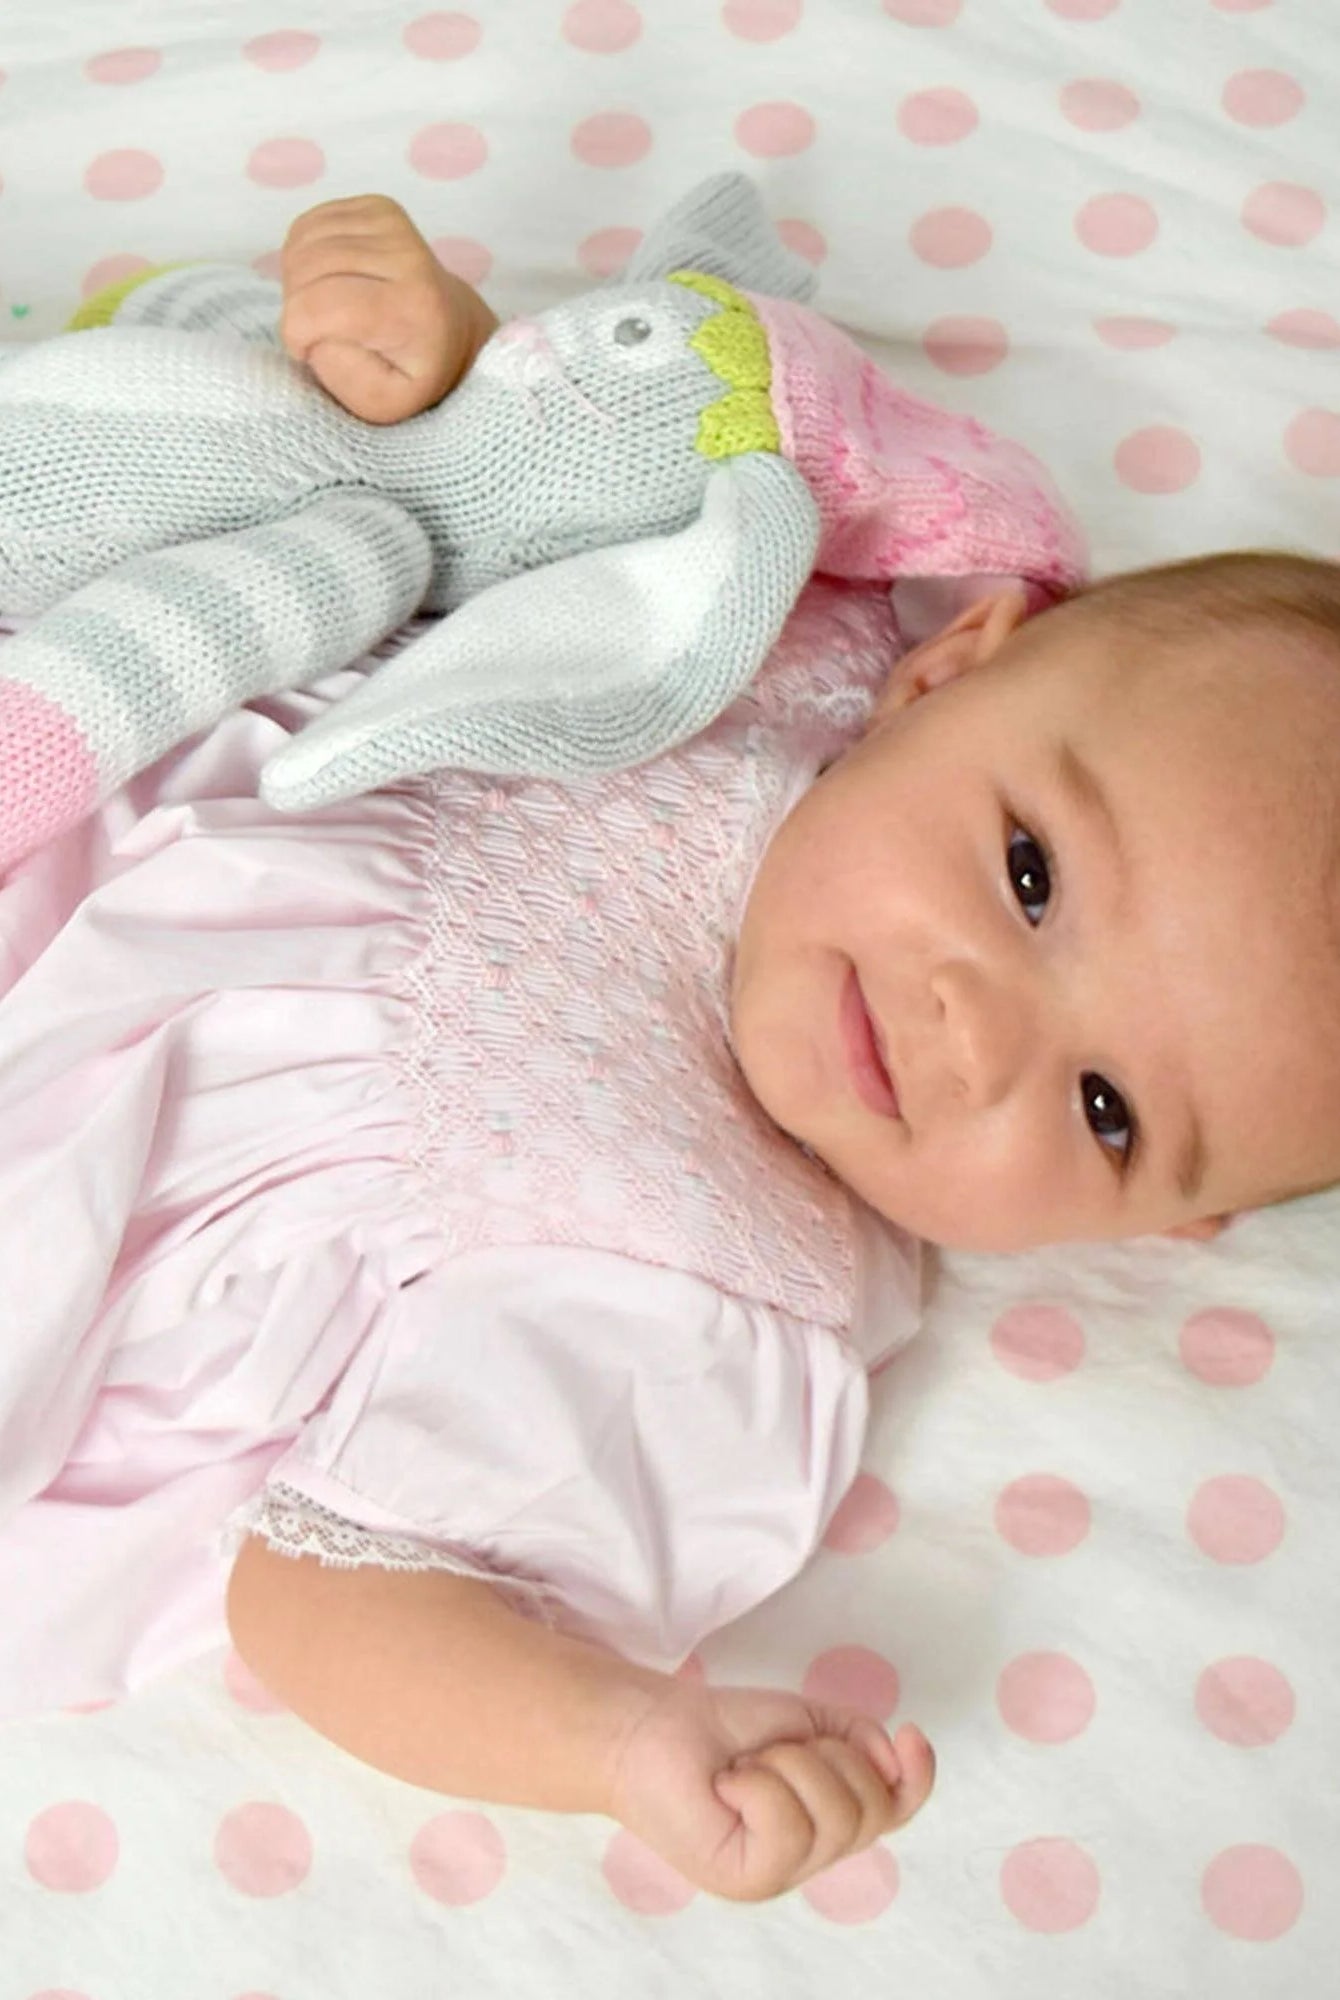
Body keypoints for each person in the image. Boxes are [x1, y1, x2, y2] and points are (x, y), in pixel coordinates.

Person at [5, 194, 1340, 1905]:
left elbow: (340, 1589)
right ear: (952, 673)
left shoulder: (700, 1295)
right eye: (1027, 876)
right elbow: (514, 475)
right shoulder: (783, 616)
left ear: (1158, 1223)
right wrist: (429, 351)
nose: (972, 1033)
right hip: (101, 679)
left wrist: (616, 1741)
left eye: (1104, 1107)